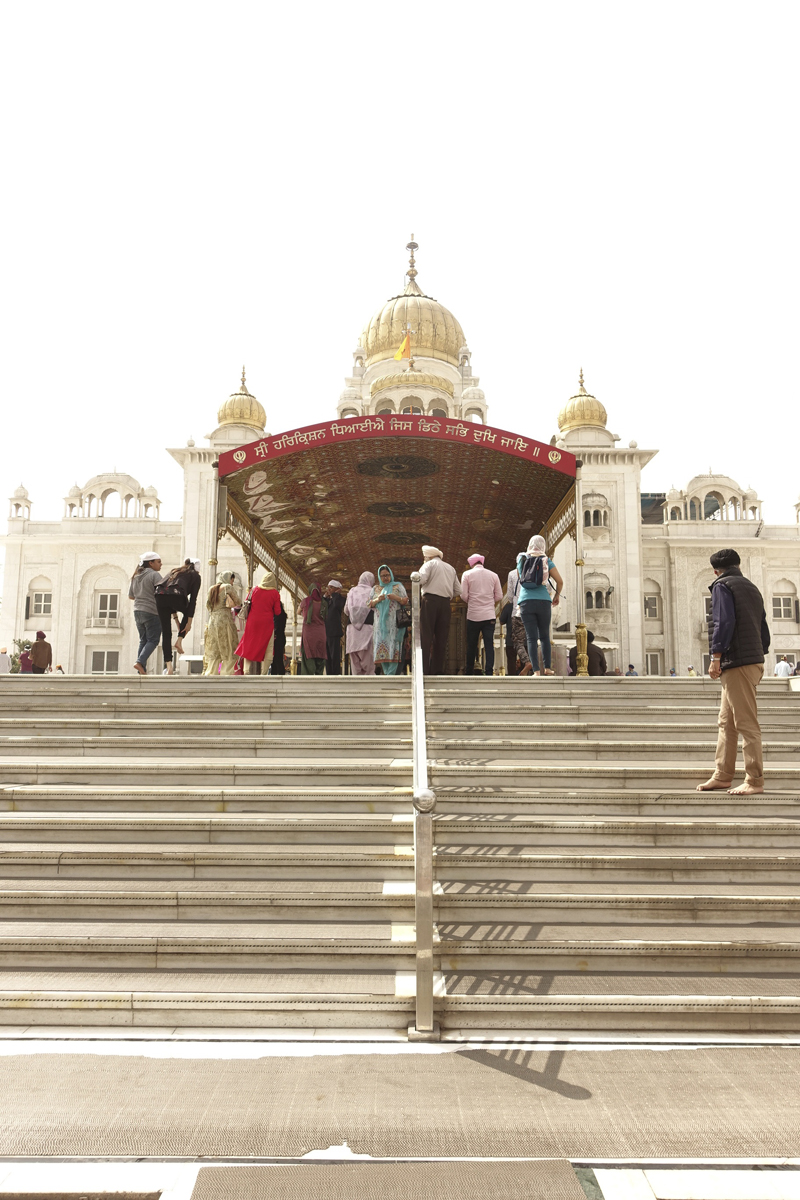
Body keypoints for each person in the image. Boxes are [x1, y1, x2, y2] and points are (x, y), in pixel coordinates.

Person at [697, 548, 770, 797]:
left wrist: (716, 656)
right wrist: (759, 653)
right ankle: (723, 775)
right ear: (737, 565)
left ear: (716, 570)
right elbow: (763, 625)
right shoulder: (750, 587)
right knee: (726, 723)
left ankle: (754, 780)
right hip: (749, 661)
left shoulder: (722, 585)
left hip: (737, 661)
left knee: (746, 724)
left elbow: (723, 622)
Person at [516, 535, 564, 676]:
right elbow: (560, 581)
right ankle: (547, 668)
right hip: (543, 601)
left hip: (525, 602)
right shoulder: (546, 561)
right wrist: (556, 595)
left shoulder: (521, 559)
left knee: (531, 638)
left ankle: (536, 671)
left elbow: (521, 579)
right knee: (544, 636)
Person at [154, 558, 202, 675]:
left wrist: (176, 620)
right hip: (176, 597)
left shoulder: (174, 571)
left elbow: (168, 593)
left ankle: (169, 667)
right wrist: (188, 622)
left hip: (159, 596)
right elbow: (193, 600)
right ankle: (179, 641)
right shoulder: (195, 576)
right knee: (188, 610)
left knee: (166, 632)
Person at [418, 546, 461, 676]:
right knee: (441, 638)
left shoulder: (428, 565)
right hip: (445, 604)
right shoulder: (450, 568)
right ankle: (437, 670)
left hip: (429, 601)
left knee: (426, 636)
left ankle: (424, 670)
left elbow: (420, 579)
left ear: (428, 557)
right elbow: (459, 591)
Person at [460, 554, 503, 676]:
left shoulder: (467, 575)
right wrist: (489, 601)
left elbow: (463, 595)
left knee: (471, 644)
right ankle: (489, 671)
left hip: (473, 615)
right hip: (489, 615)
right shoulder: (494, 575)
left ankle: (469, 671)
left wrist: (473, 600)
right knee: (489, 644)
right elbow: (499, 596)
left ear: (471, 564)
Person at [235, 571, 282, 675]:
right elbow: (278, 611)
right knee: (268, 648)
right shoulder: (275, 593)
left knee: (249, 644)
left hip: (252, 622)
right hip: (267, 624)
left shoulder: (254, 589)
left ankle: (246, 670)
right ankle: (264, 673)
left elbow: (246, 602)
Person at [369, 564, 408, 675]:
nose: (385, 578)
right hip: (379, 627)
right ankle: (387, 675)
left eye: (387, 575)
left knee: (393, 648)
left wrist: (396, 598)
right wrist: (378, 599)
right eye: (382, 576)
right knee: (382, 652)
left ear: (391, 575)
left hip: (393, 626)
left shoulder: (398, 586)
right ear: (379, 577)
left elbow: (405, 601)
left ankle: (390, 676)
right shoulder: (375, 589)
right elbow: (368, 604)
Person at [128, 551, 163, 675]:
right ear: (151, 563)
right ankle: (140, 661)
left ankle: (141, 669)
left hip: (138, 611)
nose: (161, 564)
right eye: (158, 562)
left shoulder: (135, 576)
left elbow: (131, 596)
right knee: (153, 640)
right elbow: (162, 594)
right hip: (151, 611)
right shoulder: (155, 575)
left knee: (143, 640)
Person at [204, 570, 241, 675]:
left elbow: (208, 605)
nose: (232, 583)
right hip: (225, 620)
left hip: (212, 620)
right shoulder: (228, 587)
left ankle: (211, 673)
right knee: (229, 644)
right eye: (232, 580)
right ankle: (226, 673)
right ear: (230, 579)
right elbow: (238, 601)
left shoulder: (212, 589)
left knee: (214, 647)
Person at [344, 571, 376, 676]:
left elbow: (346, 610)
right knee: (368, 662)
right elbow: (376, 609)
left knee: (355, 663)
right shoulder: (372, 591)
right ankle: (369, 689)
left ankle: (356, 688)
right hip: (367, 628)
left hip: (352, 629)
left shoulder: (352, 591)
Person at [503, 566, 531, 677]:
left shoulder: (510, 605)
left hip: (511, 639)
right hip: (528, 637)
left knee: (511, 660)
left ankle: (511, 678)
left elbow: (501, 621)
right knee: (526, 655)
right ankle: (528, 675)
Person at [299, 584, 327, 674]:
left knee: (308, 654)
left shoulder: (306, 601)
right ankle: (318, 676)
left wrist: (306, 615)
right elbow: (326, 616)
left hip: (309, 633)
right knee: (320, 654)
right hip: (321, 633)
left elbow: (298, 611)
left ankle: (308, 679)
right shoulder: (324, 603)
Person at [323, 580, 346, 675]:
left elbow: (338, 605)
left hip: (334, 632)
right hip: (325, 632)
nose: (329, 589)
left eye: (331, 587)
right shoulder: (328, 600)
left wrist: (335, 595)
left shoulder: (340, 599)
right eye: (328, 587)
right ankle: (329, 674)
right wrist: (325, 597)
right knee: (327, 656)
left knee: (334, 656)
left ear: (337, 589)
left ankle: (335, 675)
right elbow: (322, 606)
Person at [270, 600, 288, 675]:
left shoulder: (277, 615)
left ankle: (277, 674)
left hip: (277, 638)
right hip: (281, 637)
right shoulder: (283, 615)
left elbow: (276, 627)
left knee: (276, 659)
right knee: (277, 658)